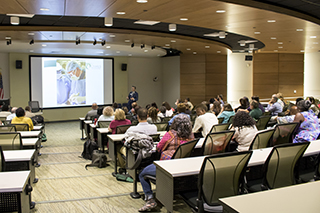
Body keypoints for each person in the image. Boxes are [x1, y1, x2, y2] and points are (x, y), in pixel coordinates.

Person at [138, 114, 194, 212]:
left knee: (142, 174)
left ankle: (150, 199)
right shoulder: (191, 135)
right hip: (184, 166)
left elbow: (159, 148)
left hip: (167, 167)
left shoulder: (170, 134)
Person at [117, 108, 157, 173]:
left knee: (119, 148)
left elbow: (125, 139)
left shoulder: (131, 129)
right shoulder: (154, 128)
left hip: (135, 153)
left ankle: (125, 167)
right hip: (149, 152)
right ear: (147, 116)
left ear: (137, 117)